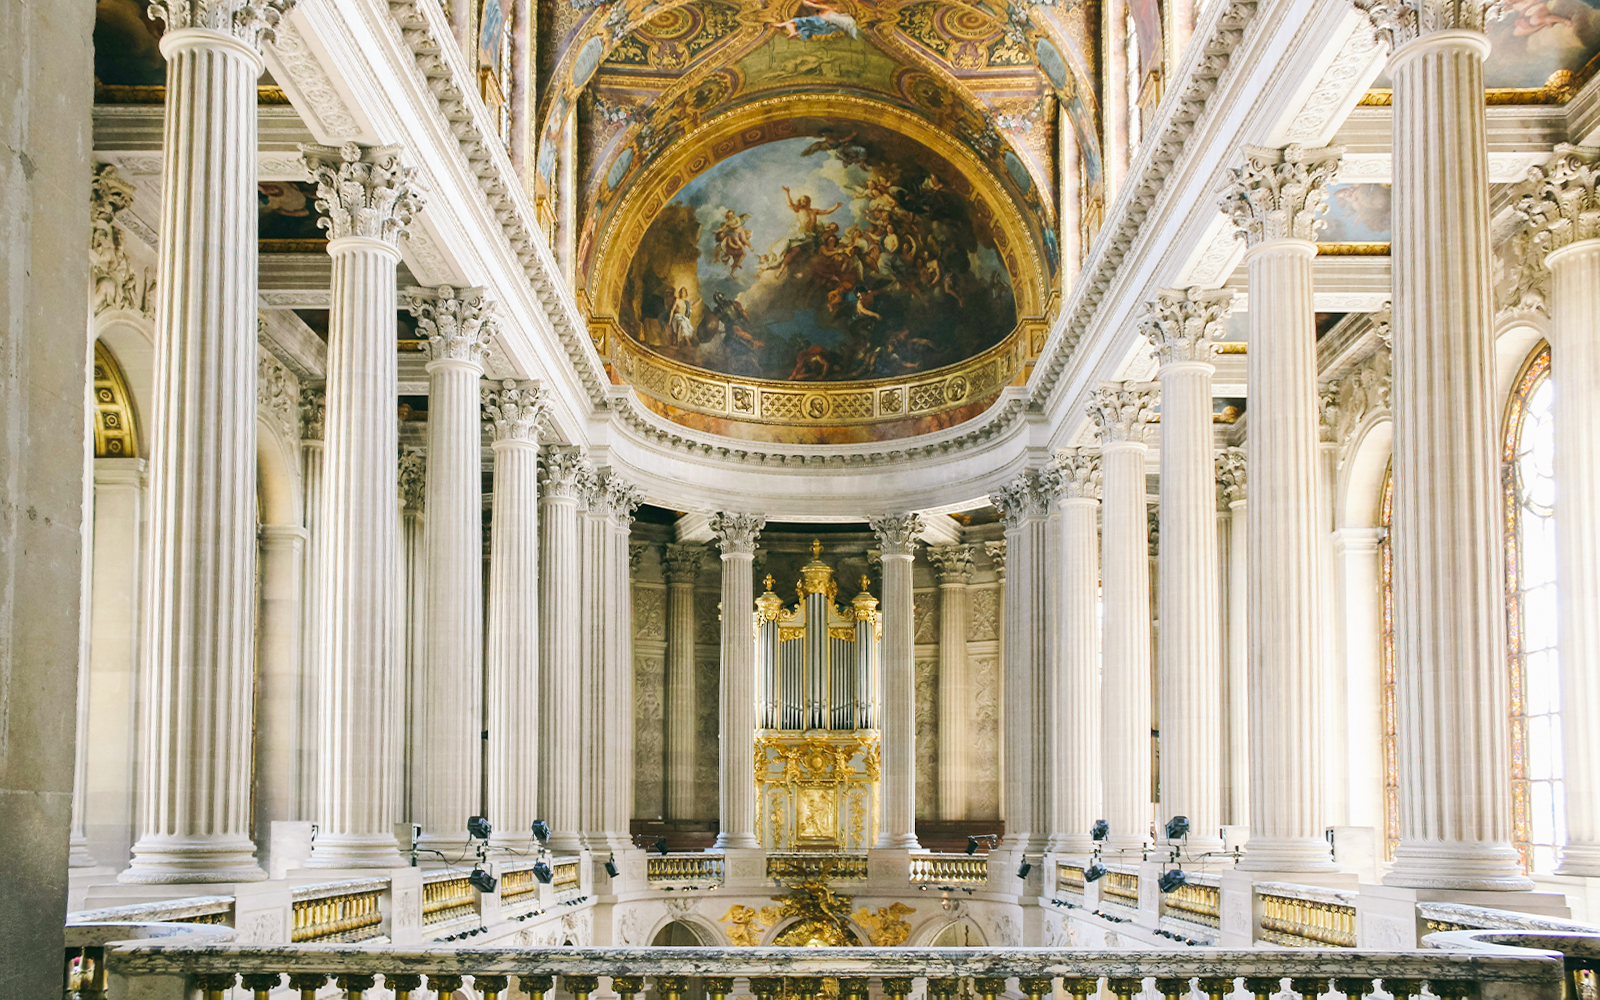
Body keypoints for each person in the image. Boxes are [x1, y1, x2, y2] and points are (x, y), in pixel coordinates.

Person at [770, 0, 858, 40]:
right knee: (796, 24)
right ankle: (791, 30)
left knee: (793, 21)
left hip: (820, 23)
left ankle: (783, 26)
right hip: (822, 26)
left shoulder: (825, 9)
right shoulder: (825, 10)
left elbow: (808, 3)